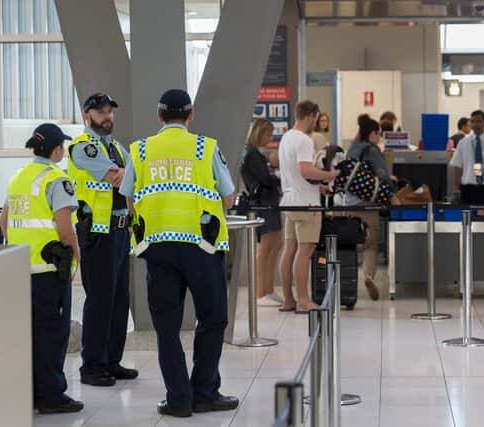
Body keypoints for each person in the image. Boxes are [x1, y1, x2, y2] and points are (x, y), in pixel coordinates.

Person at [120, 89, 237, 418]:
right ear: (190, 115)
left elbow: (129, 199)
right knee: (212, 318)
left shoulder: (140, 150)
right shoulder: (205, 147)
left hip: (158, 250)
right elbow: (227, 198)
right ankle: (204, 393)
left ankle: (179, 400)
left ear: (159, 116)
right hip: (202, 246)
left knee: (167, 327)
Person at [0, 124, 83, 414]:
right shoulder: (55, 179)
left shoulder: (18, 178)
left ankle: (32, 394)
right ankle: (51, 397)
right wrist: (76, 252)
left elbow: (4, 223)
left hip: (21, 270)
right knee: (52, 334)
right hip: (49, 271)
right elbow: (64, 225)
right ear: (57, 149)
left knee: (30, 335)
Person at [67, 93, 137, 387]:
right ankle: (92, 366)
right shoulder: (83, 147)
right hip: (97, 231)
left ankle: (112, 360)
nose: (107, 116)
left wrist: (129, 175)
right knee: (100, 299)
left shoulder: (117, 147)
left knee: (120, 299)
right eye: (100, 112)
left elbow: (130, 180)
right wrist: (129, 174)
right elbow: (120, 179)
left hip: (121, 230)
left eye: (110, 111)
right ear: (87, 116)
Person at [278, 100, 338, 313]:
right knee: (305, 251)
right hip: (306, 204)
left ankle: (288, 300)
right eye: (316, 117)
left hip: (289, 201)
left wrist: (318, 188)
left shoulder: (286, 137)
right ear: (311, 116)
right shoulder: (304, 140)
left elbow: (294, 173)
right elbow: (305, 170)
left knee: (289, 250)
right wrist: (329, 176)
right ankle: (303, 300)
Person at [346, 116, 399, 301]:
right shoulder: (372, 150)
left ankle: (348, 281)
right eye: (379, 134)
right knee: (370, 243)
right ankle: (368, 277)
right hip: (367, 202)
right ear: (373, 134)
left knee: (352, 243)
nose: (379, 138)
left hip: (348, 202)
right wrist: (393, 195)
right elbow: (382, 175)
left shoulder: (352, 148)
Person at [239, 118, 283, 306]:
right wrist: (281, 177)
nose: (269, 138)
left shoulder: (255, 154)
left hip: (269, 203)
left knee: (275, 245)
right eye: (268, 134)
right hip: (262, 204)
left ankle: (268, 288)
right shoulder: (251, 155)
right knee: (265, 249)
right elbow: (265, 179)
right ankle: (260, 292)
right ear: (259, 133)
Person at [449, 110, 484, 204]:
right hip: (468, 187)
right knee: (468, 217)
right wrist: (456, 190)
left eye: (479, 121)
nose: (475, 124)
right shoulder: (463, 143)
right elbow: (458, 166)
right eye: (472, 121)